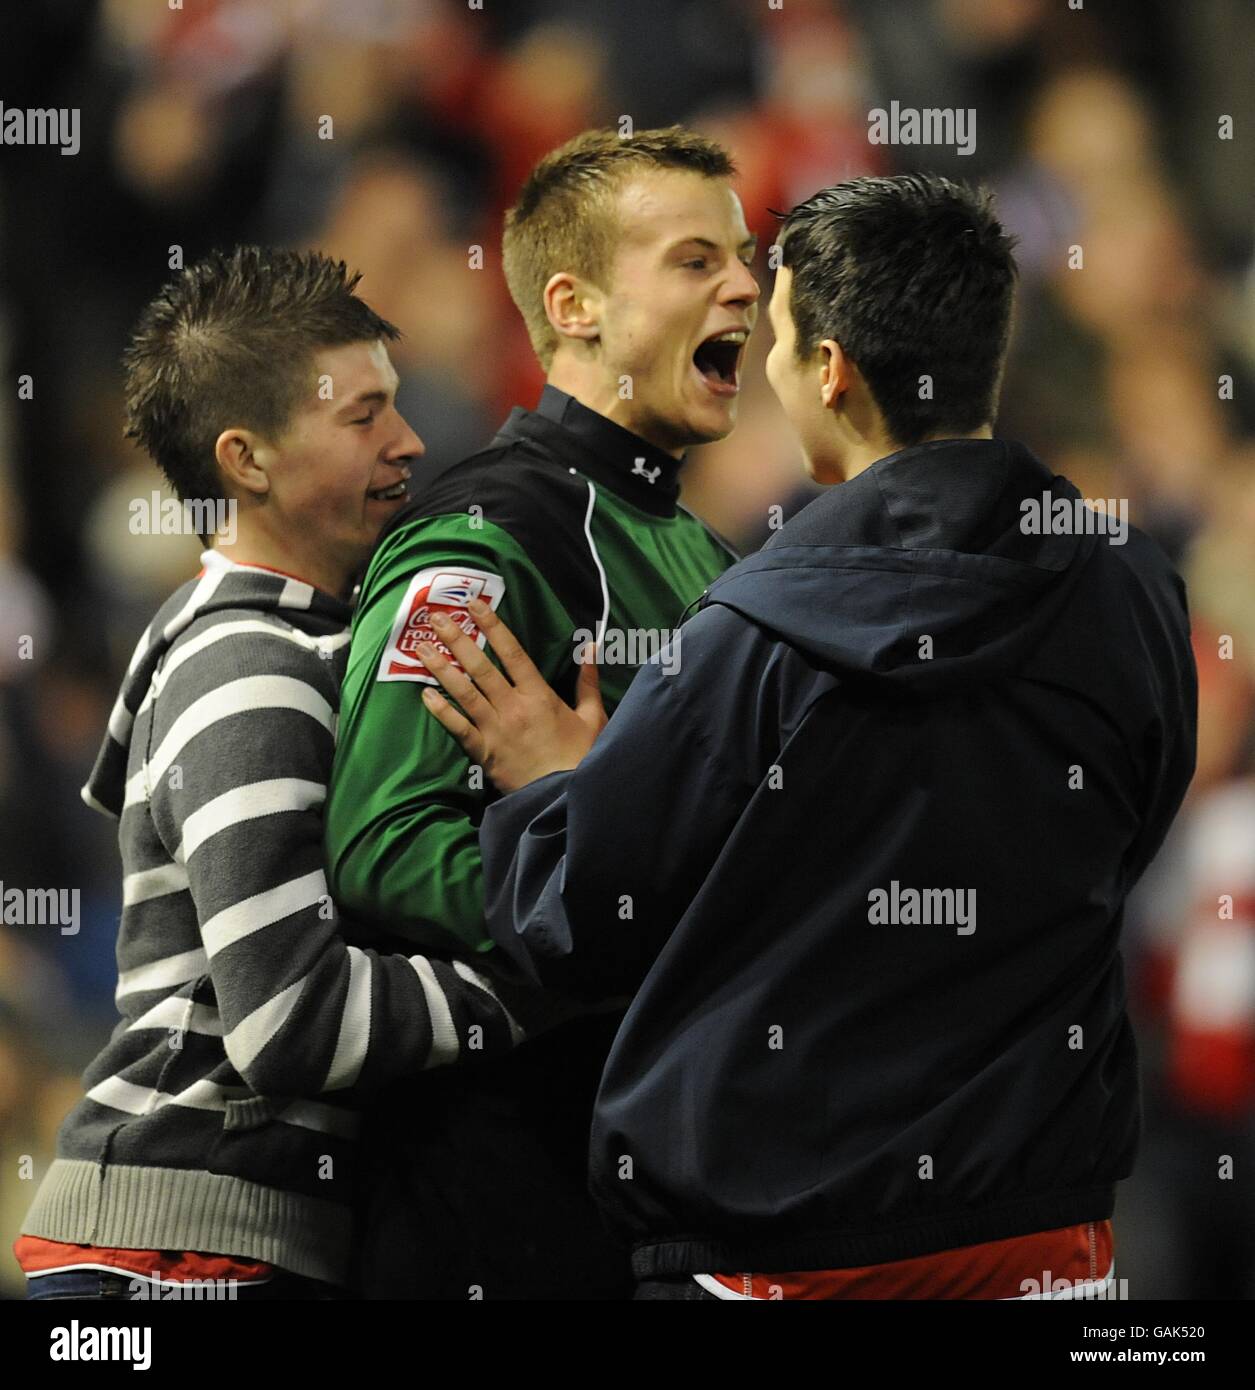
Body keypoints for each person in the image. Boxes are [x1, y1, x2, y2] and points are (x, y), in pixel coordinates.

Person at [420, 175, 1199, 1300]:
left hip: (780, 1258)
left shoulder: (749, 629)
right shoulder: (1132, 587)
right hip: (1047, 1246)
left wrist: (556, 789)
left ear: (828, 371)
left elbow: (580, 913)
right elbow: (1127, 833)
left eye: (778, 340)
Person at [15, 247, 556, 1301]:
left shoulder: (283, 636)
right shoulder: (246, 667)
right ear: (246, 459)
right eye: (362, 418)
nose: (409, 443)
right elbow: (287, 1021)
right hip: (178, 1251)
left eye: (395, 406)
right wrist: (537, 989)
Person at [323, 125, 759, 1298]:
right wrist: (606, 875)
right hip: (495, 1208)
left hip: (647, 1191)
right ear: (573, 306)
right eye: (694, 260)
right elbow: (379, 847)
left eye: (745, 255)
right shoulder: (484, 538)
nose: (746, 285)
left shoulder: (705, 549)